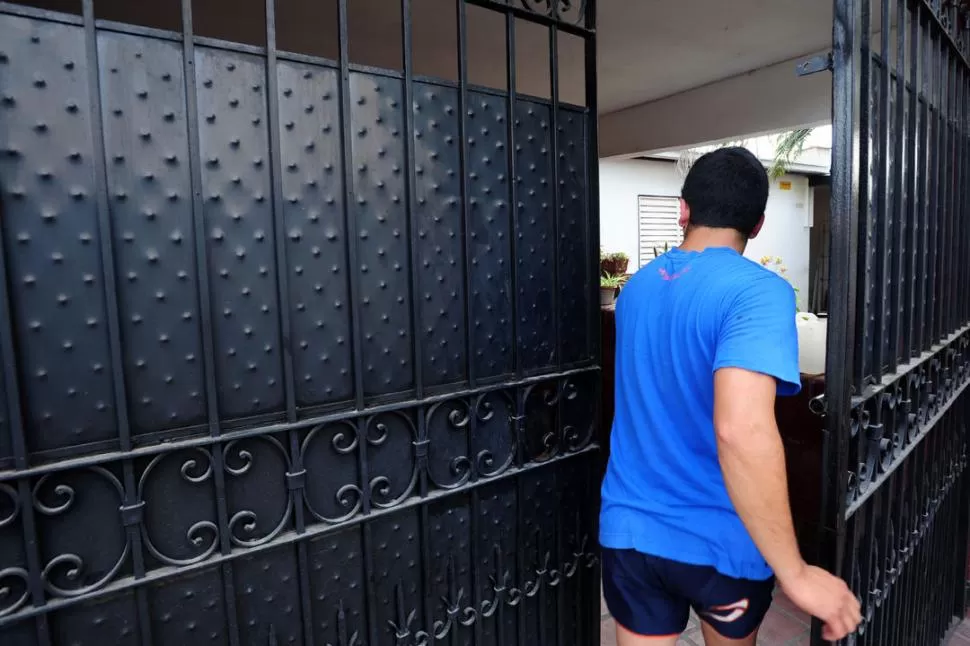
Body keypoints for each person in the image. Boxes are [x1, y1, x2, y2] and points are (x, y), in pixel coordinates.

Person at [599, 147, 861, 645]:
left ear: (683, 210)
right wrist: (797, 573)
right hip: (722, 542)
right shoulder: (759, 293)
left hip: (630, 530)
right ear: (758, 224)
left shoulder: (636, 290)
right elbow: (740, 429)